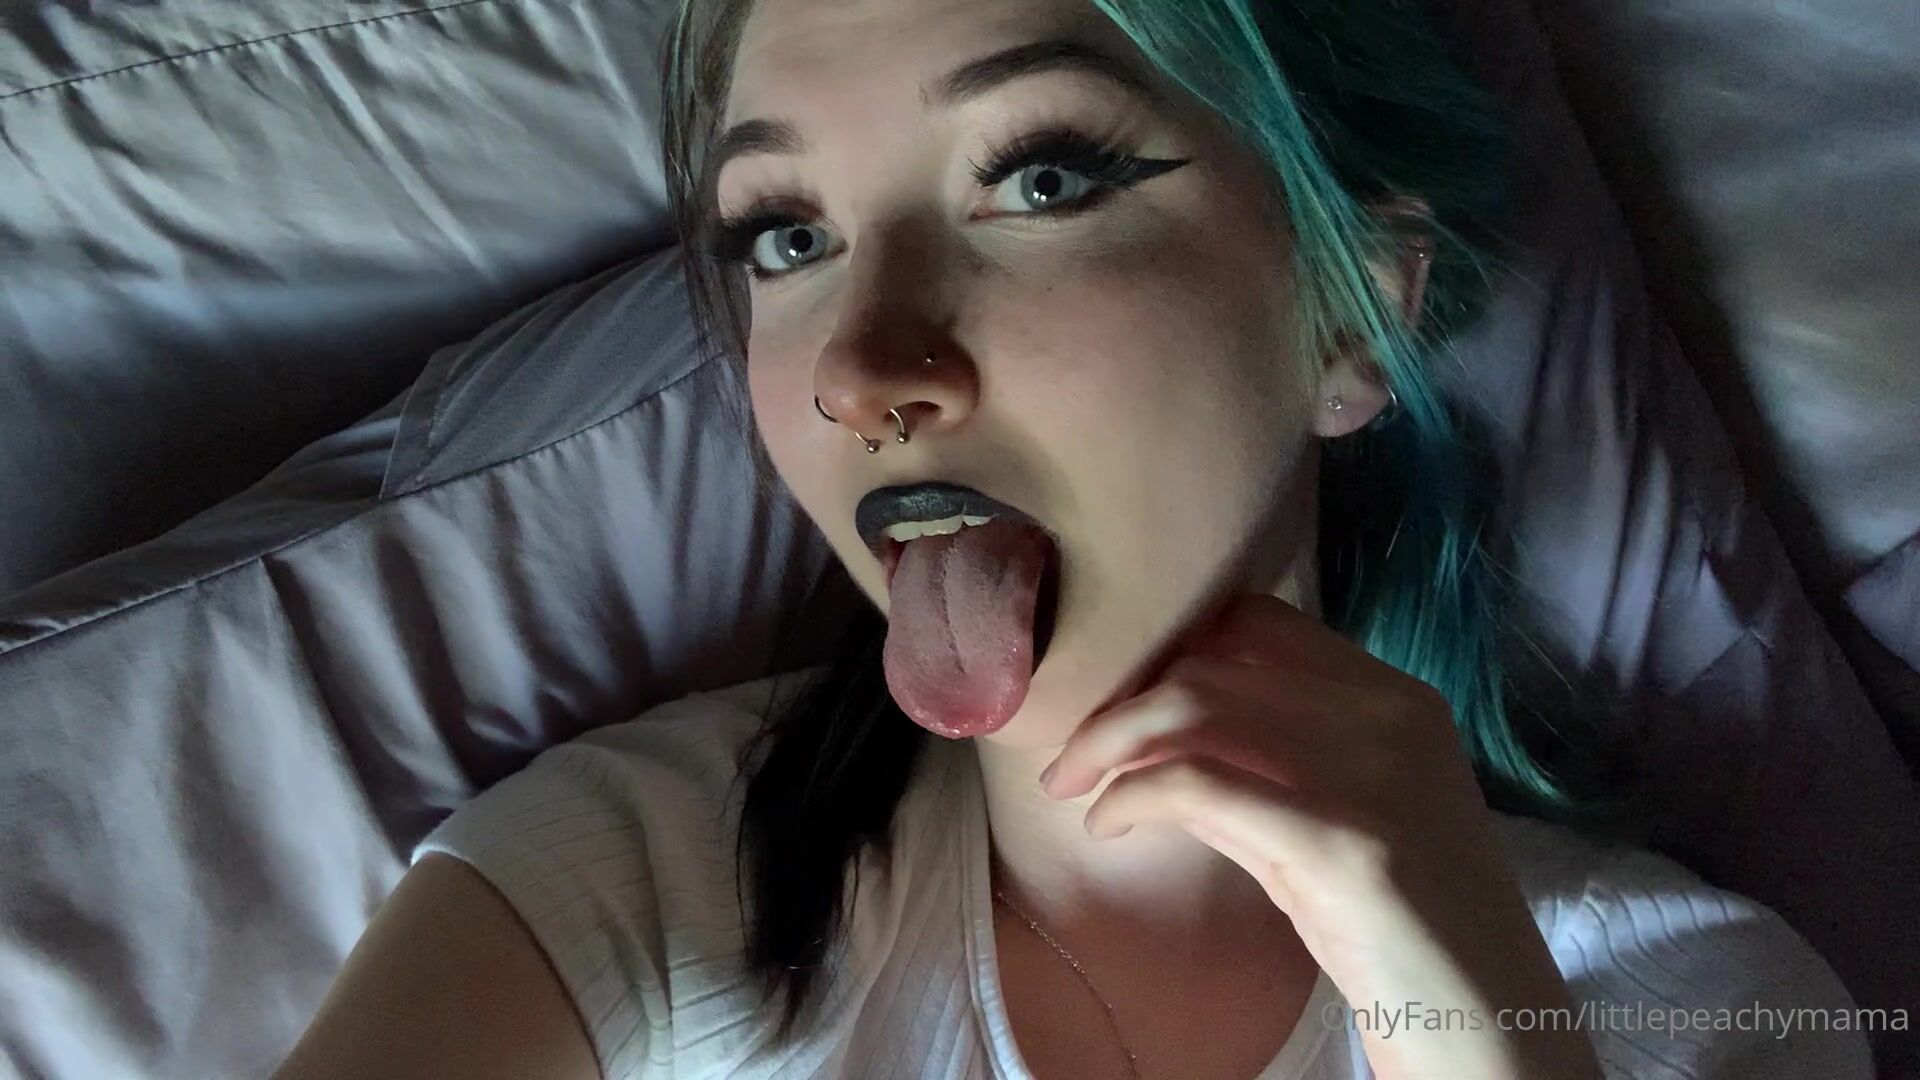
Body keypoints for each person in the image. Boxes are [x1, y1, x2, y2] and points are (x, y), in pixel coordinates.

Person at [276, 0, 1876, 1077]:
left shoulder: (1687, 1001)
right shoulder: (623, 889)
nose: (864, 366)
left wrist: (1473, 1022)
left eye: (1040, 178)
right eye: (787, 234)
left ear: (1351, 315)